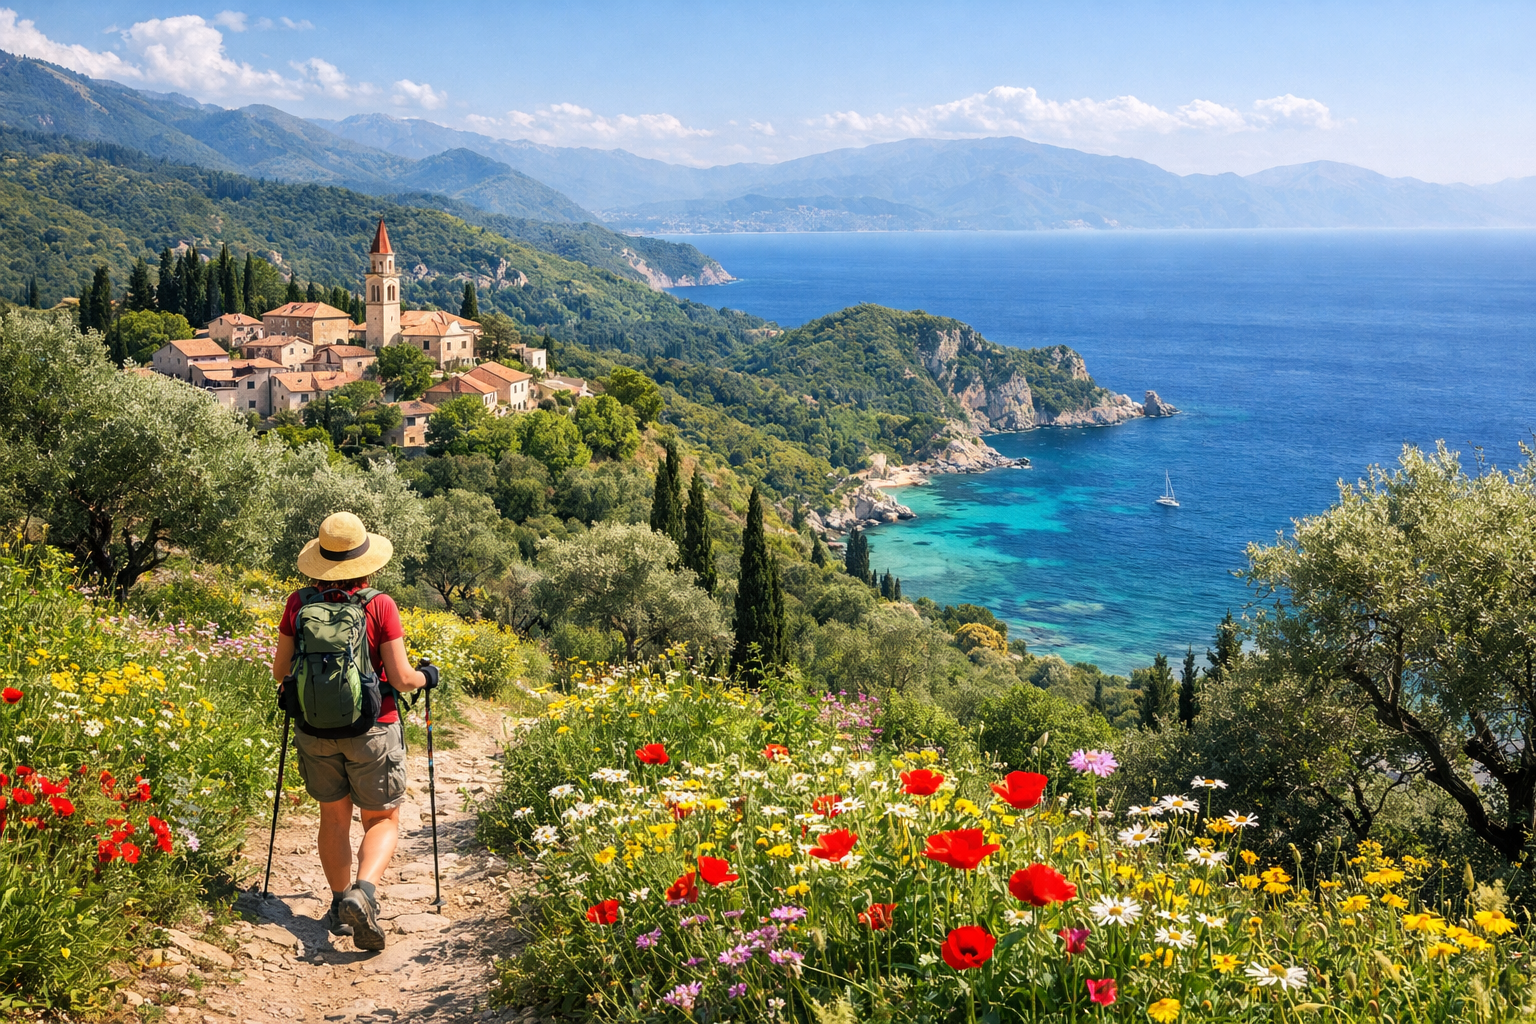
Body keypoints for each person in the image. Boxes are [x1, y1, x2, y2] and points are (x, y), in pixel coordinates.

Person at [269, 511, 438, 950]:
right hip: (373, 727)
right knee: (381, 817)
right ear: (367, 561)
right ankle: (364, 892)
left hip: (312, 728)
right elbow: (401, 678)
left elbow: (279, 672)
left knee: (334, 817)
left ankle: (340, 903)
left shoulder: (298, 603)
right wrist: (428, 677)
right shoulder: (378, 604)